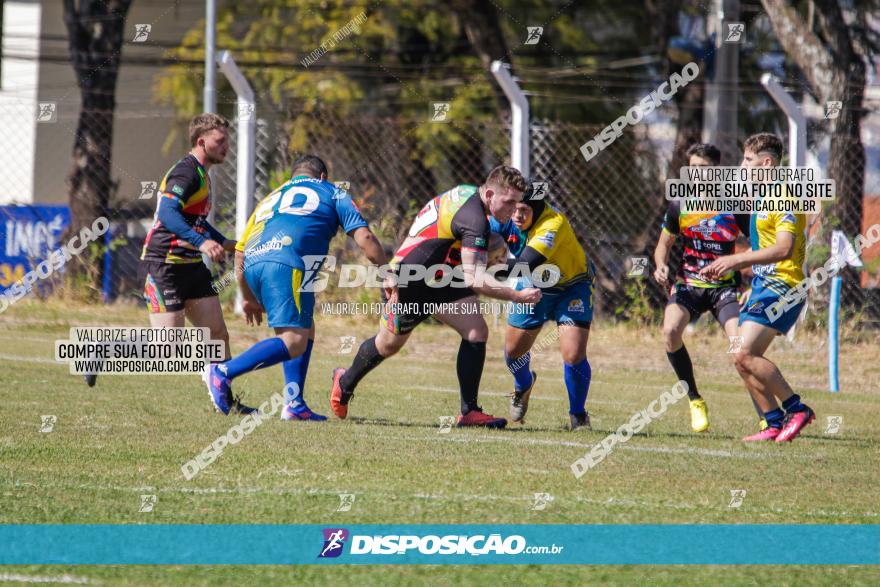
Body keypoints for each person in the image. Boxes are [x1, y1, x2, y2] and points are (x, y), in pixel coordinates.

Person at [329, 165, 542, 428]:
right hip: (408, 281)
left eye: (517, 203)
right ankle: (344, 380)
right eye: (509, 202)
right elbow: (475, 278)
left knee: (476, 332)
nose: (513, 210)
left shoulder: (469, 194)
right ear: (488, 194)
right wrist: (515, 295)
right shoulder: (474, 219)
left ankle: (470, 411)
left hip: (440, 278)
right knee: (388, 345)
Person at [204, 155, 388, 418]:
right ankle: (222, 372)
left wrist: (246, 297)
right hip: (287, 264)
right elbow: (365, 237)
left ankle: (294, 404)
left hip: (254, 265)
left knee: (304, 327)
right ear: (322, 176)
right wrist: (388, 273)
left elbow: (241, 251)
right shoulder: (333, 191)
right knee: (293, 341)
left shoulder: (271, 197)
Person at [700, 133, 815, 442]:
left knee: (745, 353)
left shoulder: (783, 195)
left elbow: (784, 249)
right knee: (740, 356)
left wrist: (735, 262)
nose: (742, 166)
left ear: (767, 163)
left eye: (748, 160)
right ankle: (773, 421)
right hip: (767, 286)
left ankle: (797, 409)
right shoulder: (763, 197)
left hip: (785, 286)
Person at [137, 113, 253, 411]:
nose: (227, 146)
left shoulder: (203, 175)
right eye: (220, 141)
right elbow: (167, 213)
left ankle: (225, 402)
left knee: (217, 333)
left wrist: (230, 244)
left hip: (191, 267)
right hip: (164, 265)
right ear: (202, 141)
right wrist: (203, 243)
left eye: (228, 141)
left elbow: (196, 222)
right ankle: (104, 350)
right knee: (168, 348)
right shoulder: (186, 173)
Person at [653, 142, 756, 432]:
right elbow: (663, 245)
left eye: (704, 169)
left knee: (741, 348)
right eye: (693, 168)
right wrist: (661, 266)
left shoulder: (733, 204)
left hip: (724, 289)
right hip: (688, 284)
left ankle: (766, 414)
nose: (697, 175)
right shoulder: (680, 204)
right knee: (670, 331)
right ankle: (695, 399)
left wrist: (749, 276)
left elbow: (759, 245)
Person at [490, 187, 596, 430]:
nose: (516, 215)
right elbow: (477, 234)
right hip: (533, 284)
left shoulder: (553, 224)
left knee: (573, 353)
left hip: (571, 286)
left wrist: (478, 267)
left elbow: (524, 265)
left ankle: (578, 415)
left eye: (523, 210)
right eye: (513, 208)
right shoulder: (504, 216)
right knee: (514, 352)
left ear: (536, 210)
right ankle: (523, 385)